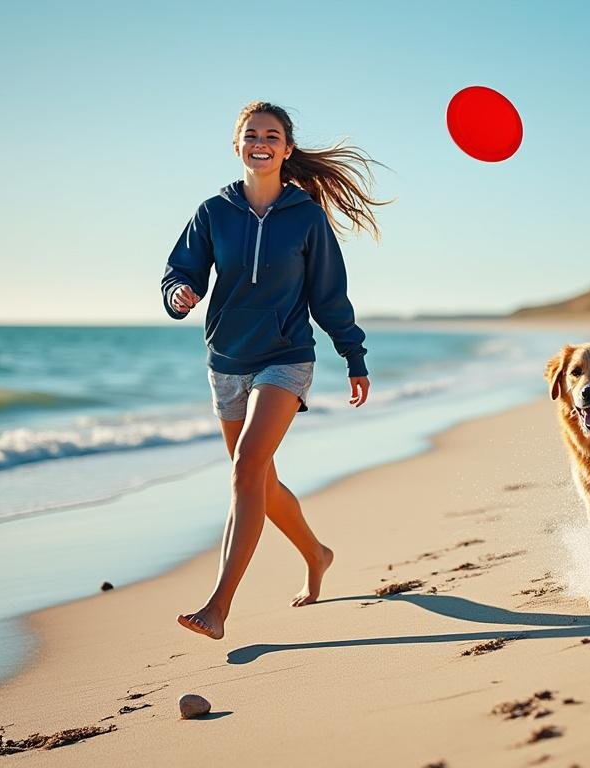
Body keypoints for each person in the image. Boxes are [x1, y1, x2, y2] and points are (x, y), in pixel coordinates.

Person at [162, 101, 386, 640]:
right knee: (260, 477)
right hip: (226, 359)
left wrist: (353, 355)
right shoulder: (214, 211)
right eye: (251, 134)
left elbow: (329, 294)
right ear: (236, 145)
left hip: (286, 357)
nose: (260, 142)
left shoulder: (306, 216)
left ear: (286, 148)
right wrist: (179, 295)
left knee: (244, 467)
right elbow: (180, 271)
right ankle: (317, 553)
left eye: (272, 134)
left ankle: (217, 606)